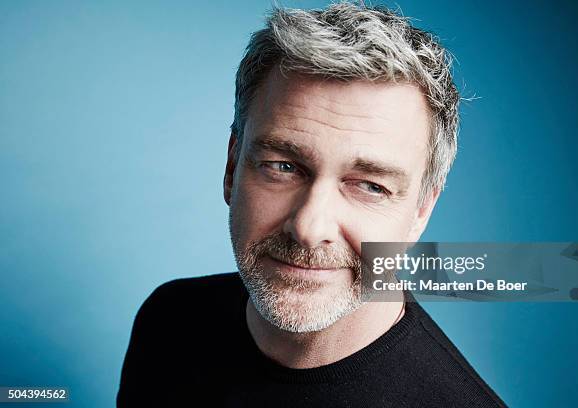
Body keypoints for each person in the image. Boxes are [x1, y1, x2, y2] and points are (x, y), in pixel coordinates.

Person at [117, 3, 506, 407]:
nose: (309, 227)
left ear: (421, 211)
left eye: (370, 186)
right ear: (232, 166)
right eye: (283, 166)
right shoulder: (170, 321)